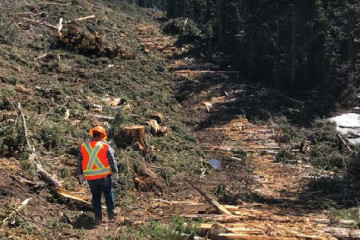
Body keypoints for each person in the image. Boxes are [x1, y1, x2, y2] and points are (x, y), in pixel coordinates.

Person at [77, 126, 119, 225]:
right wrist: (115, 172)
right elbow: (112, 160)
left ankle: (98, 218)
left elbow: (79, 161)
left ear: (93, 135)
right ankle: (111, 214)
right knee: (108, 193)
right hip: (104, 176)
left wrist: (80, 174)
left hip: (91, 178)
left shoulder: (84, 146)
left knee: (96, 196)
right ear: (101, 136)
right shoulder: (104, 146)